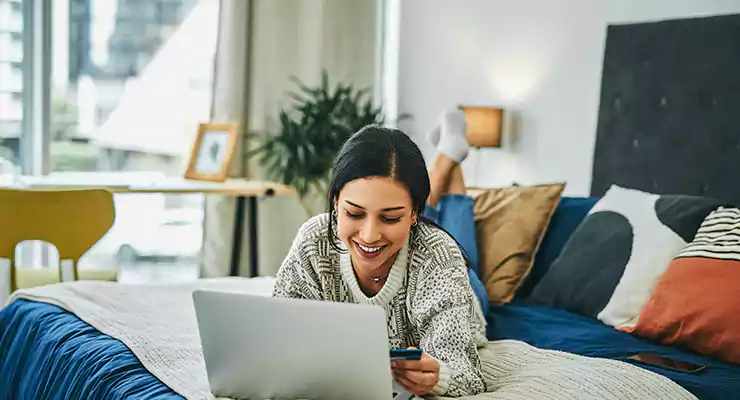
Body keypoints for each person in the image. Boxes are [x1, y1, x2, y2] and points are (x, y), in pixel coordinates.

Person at [272, 111, 488, 397]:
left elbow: (468, 375)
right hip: (412, 242)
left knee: (454, 242)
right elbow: (277, 334)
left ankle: (449, 155)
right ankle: (450, 153)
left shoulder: (439, 257)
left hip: (463, 289)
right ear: (336, 202)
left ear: (413, 215)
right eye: (354, 213)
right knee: (421, 233)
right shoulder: (314, 240)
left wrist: (438, 377)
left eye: (389, 218)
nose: (369, 235)